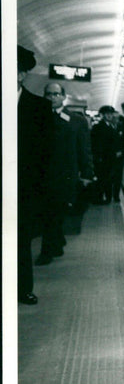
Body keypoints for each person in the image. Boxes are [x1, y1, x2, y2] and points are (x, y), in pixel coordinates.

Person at [36, 83, 95, 265]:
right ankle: (49, 249)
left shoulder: (76, 120)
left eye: (56, 94)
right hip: (42, 176)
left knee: (57, 212)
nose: (52, 97)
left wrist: (87, 173)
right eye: (49, 94)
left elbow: (84, 149)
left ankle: (54, 243)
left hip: (66, 176)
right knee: (48, 213)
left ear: (63, 97)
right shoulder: (37, 118)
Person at [17, 45, 53, 304]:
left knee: (20, 242)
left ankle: (22, 288)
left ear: (21, 74)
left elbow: (45, 157)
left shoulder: (39, 108)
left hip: (23, 190)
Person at [91, 105, 118, 203]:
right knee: (102, 179)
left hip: (110, 158)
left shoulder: (111, 126)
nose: (110, 116)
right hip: (102, 159)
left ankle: (107, 197)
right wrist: (98, 157)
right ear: (102, 115)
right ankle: (99, 198)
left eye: (111, 114)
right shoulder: (98, 127)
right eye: (107, 114)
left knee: (108, 178)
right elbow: (95, 144)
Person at [109, 103, 124, 201]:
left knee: (117, 176)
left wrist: (121, 151)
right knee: (109, 176)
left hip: (119, 157)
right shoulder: (108, 128)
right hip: (109, 157)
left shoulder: (122, 129)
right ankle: (109, 195)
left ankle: (116, 195)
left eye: (117, 118)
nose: (116, 120)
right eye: (114, 118)